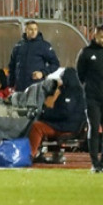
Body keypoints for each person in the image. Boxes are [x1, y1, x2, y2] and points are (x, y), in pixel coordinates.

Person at [28, 67, 86, 162]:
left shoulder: (70, 93)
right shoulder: (80, 92)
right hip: (72, 125)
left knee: (36, 127)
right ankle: (43, 154)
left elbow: (64, 113)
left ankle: (30, 155)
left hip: (66, 127)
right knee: (41, 123)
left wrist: (45, 113)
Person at [76, 25, 103, 173]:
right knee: (93, 128)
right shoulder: (86, 53)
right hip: (92, 98)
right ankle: (95, 163)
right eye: (101, 36)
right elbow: (80, 74)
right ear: (95, 36)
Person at [8, 20, 60, 92]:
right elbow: (12, 66)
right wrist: (10, 84)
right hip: (20, 88)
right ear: (25, 30)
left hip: (36, 88)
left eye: (35, 29)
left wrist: (42, 73)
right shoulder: (18, 46)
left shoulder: (44, 46)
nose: (33, 32)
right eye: (31, 29)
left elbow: (55, 64)